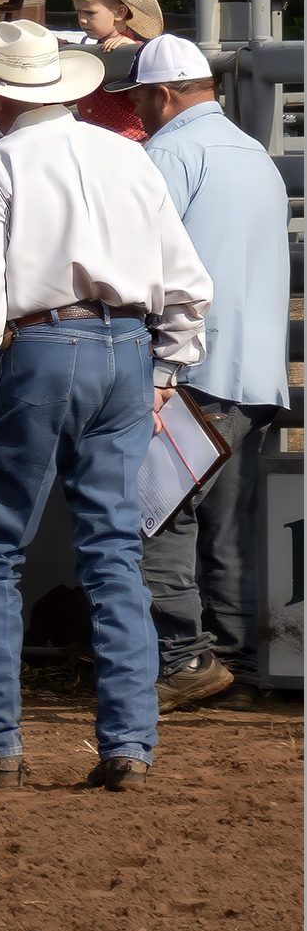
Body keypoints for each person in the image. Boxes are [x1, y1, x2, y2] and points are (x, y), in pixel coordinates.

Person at [0, 21, 212, 791]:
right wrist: (167, 370)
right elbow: (182, 274)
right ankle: (128, 747)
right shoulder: (127, 156)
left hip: (43, 347)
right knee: (112, 548)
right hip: (128, 348)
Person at [104, 36, 293, 712]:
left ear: (159, 95)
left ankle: (182, 655)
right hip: (255, 372)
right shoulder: (255, 157)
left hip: (190, 367)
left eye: (139, 101)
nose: (140, 114)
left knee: (156, 513)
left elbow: (139, 261)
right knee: (230, 525)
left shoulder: (168, 154)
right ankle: (239, 664)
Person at [48, 0, 163, 142]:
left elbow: (157, 75)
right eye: (79, 12)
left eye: (90, 12)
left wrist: (136, 50)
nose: (82, 19)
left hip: (132, 140)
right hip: (102, 136)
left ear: (120, 13)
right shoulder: (94, 48)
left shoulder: (136, 50)